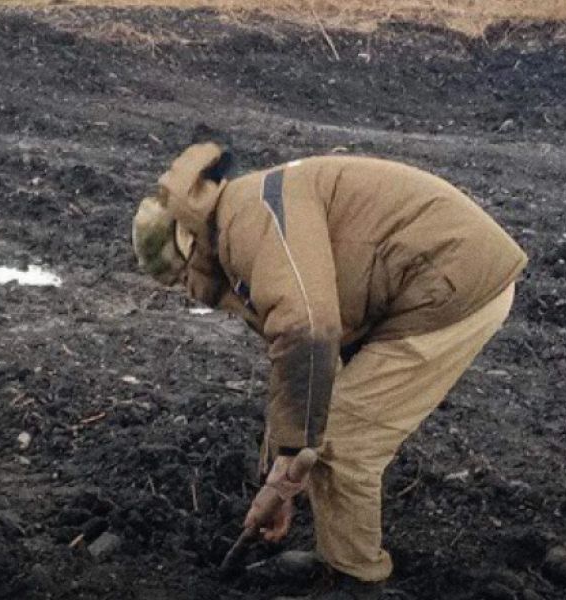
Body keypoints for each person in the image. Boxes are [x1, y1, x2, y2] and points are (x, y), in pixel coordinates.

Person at [131, 143, 527, 600]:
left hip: (451, 281)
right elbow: (300, 371)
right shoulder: (239, 217)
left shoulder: (247, 220)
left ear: (186, 251)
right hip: (425, 278)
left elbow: (307, 330)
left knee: (344, 440)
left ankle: (356, 580)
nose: (190, 291)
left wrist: (290, 466)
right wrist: (280, 476)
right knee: (322, 426)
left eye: (180, 281)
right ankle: (337, 560)